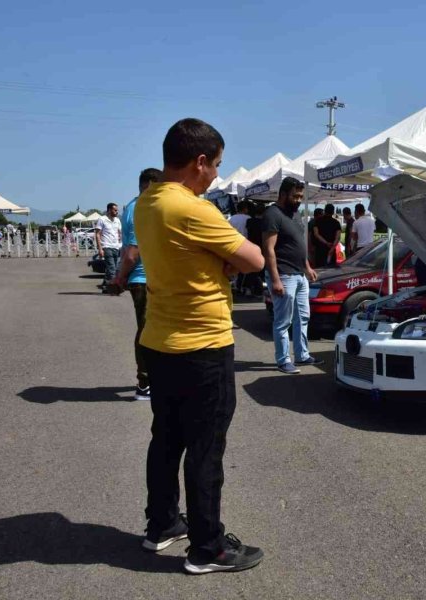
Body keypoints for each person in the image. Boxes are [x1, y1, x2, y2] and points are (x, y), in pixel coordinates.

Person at [134, 118, 265, 574]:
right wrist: (223, 262)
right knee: (206, 447)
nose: (216, 177)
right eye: (216, 166)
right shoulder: (192, 208)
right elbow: (254, 258)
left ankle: (162, 524)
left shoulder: (146, 202)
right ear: (200, 162)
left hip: (160, 339)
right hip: (202, 343)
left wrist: (215, 261)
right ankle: (209, 547)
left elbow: (188, 258)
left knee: (166, 439)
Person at [112, 167, 163, 401]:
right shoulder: (138, 209)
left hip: (149, 277)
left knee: (152, 330)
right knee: (146, 331)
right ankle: (144, 384)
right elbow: (132, 253)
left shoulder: (139, 206)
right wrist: (120, 277)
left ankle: (152, 378)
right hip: (142, 279)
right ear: (147, 186)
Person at [262, 177, 321, 374]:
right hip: (283, 275)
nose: (298, 200)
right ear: (283, 194)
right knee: (283, 320)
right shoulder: (272, 214)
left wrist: (307, 267)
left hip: (299, 275)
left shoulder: (294, 215)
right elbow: (268, 250)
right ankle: (283, 360)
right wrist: (275, 279)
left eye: (300, 196)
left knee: (303, 316)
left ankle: (302, 355)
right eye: (295, 196)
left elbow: (297, 245)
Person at [95, 203, 122, 291]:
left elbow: (119, 233)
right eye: (115, 210)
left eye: (117, 210)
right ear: (109, 210)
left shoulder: (117, 220)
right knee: (112, 269)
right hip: (106, 246)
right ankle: (116, 288)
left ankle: (105, 286)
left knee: (112, 268)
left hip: (116, 247)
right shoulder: (102, 219)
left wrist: (121, 243)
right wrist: (100, 249)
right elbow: (98, 234)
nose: (117, 212)